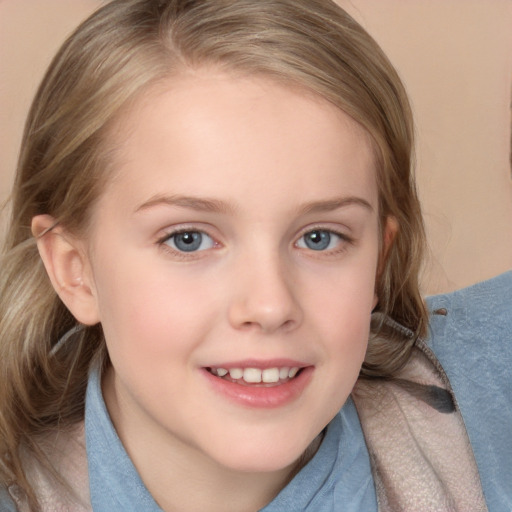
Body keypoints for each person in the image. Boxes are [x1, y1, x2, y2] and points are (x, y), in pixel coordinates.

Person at [0, 0, 510, 511]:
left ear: (378, 258)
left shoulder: (490, 394)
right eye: (188, 239)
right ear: (75, 271)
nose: (269, 306)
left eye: (320, 238)